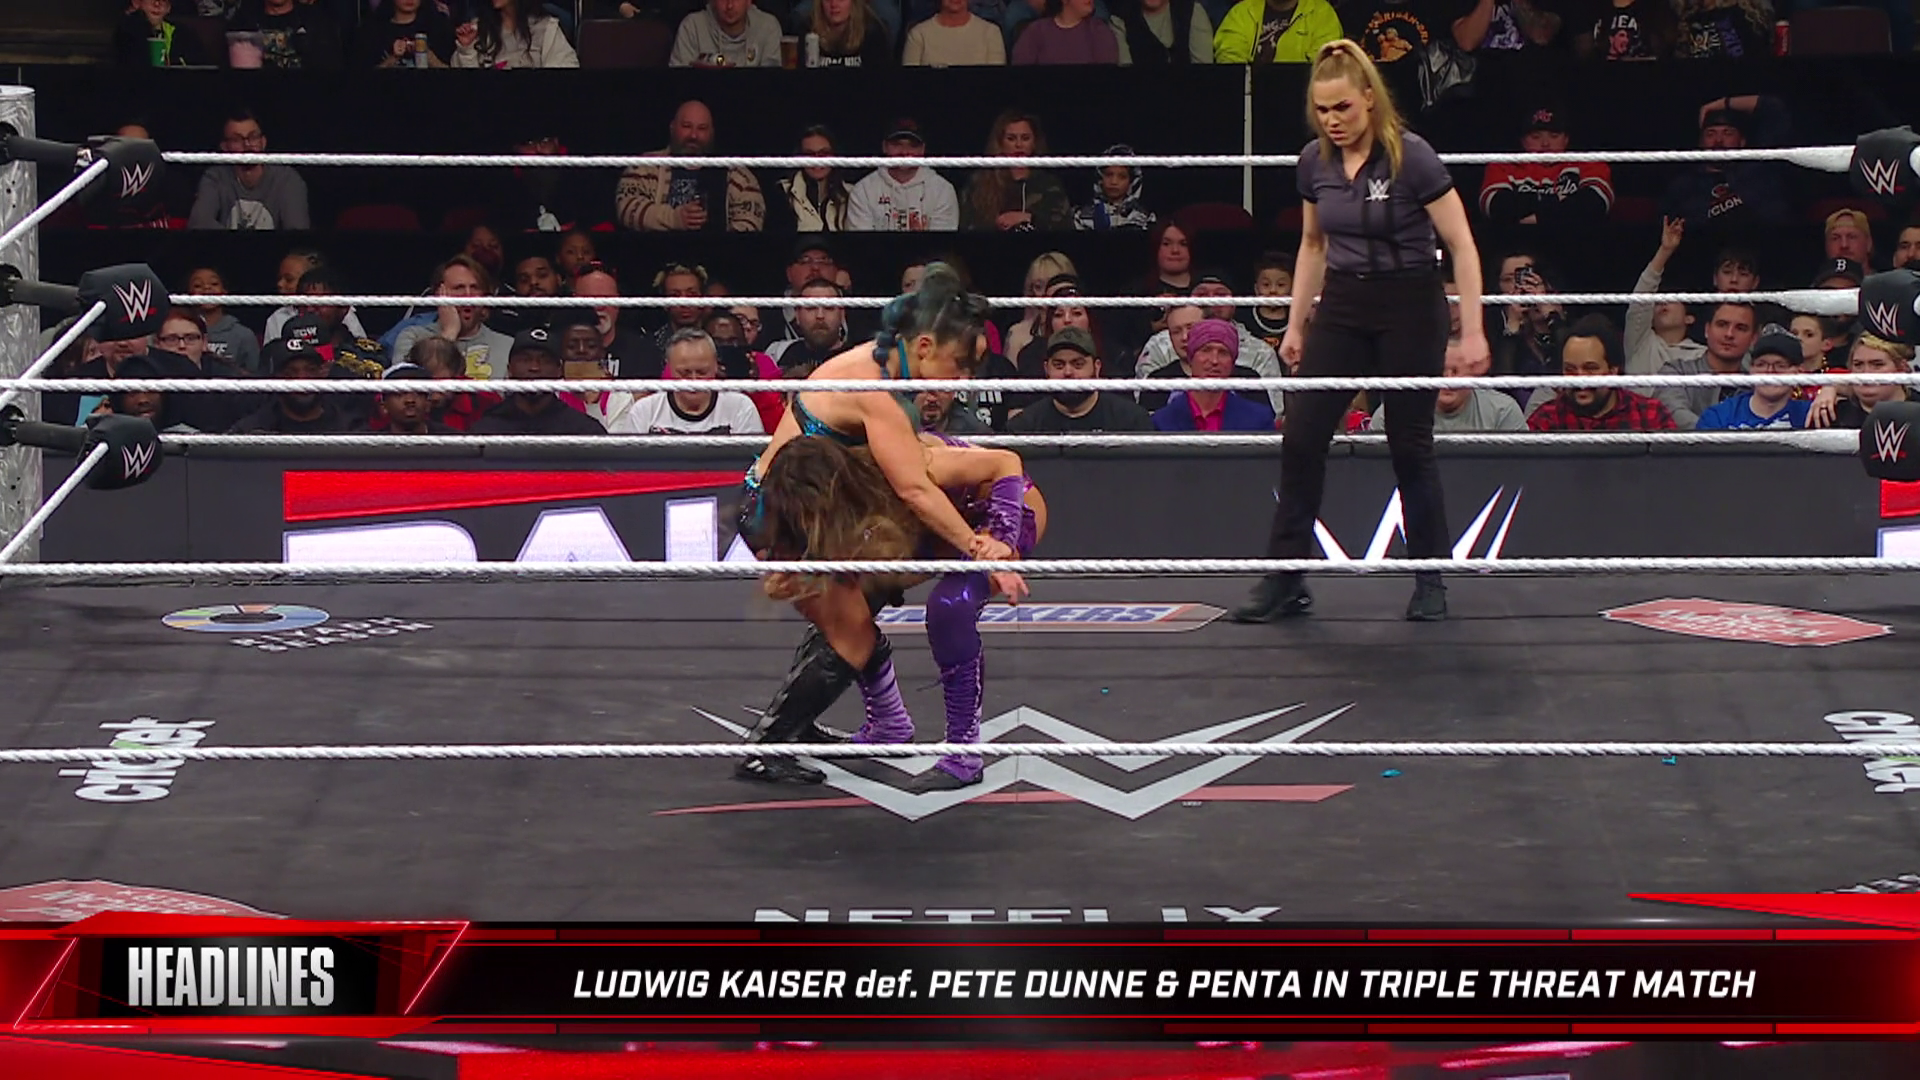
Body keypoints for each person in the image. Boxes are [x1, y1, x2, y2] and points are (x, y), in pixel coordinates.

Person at [732, 264, 1021, 784]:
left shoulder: (880, 363)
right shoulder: (878, 390)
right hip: (782, 518)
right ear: (926, 346)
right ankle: (766, 747)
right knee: (853, 636)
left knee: (848, 619)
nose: (962, 381)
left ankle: (796, 728)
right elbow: (914, 488)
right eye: (958, 366)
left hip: (800, 512)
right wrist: (980, 547)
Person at [1234, 40, 1488, 626]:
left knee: (1409, 443)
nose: (1333, 120)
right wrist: (1296, 323)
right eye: (1322, 110)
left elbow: (1462, 244)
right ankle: (1286, 578)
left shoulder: (1412, 157)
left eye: (1342, 107)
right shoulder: (1314, 162)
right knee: (1302, 437)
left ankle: (1430, 578)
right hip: (1345, 301)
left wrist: (1472, 331)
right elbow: (1312, 245)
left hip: (1410, 300)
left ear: (1369, 99)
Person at [756, 433, 1047, 790]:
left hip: (999, 509)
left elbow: (1005, 462)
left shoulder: (907, 467)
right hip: (928, 529)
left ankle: (964, 753)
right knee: (843, 605)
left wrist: (1000, 541)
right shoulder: (833, 506)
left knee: (949, 607)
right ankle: (889, 724)